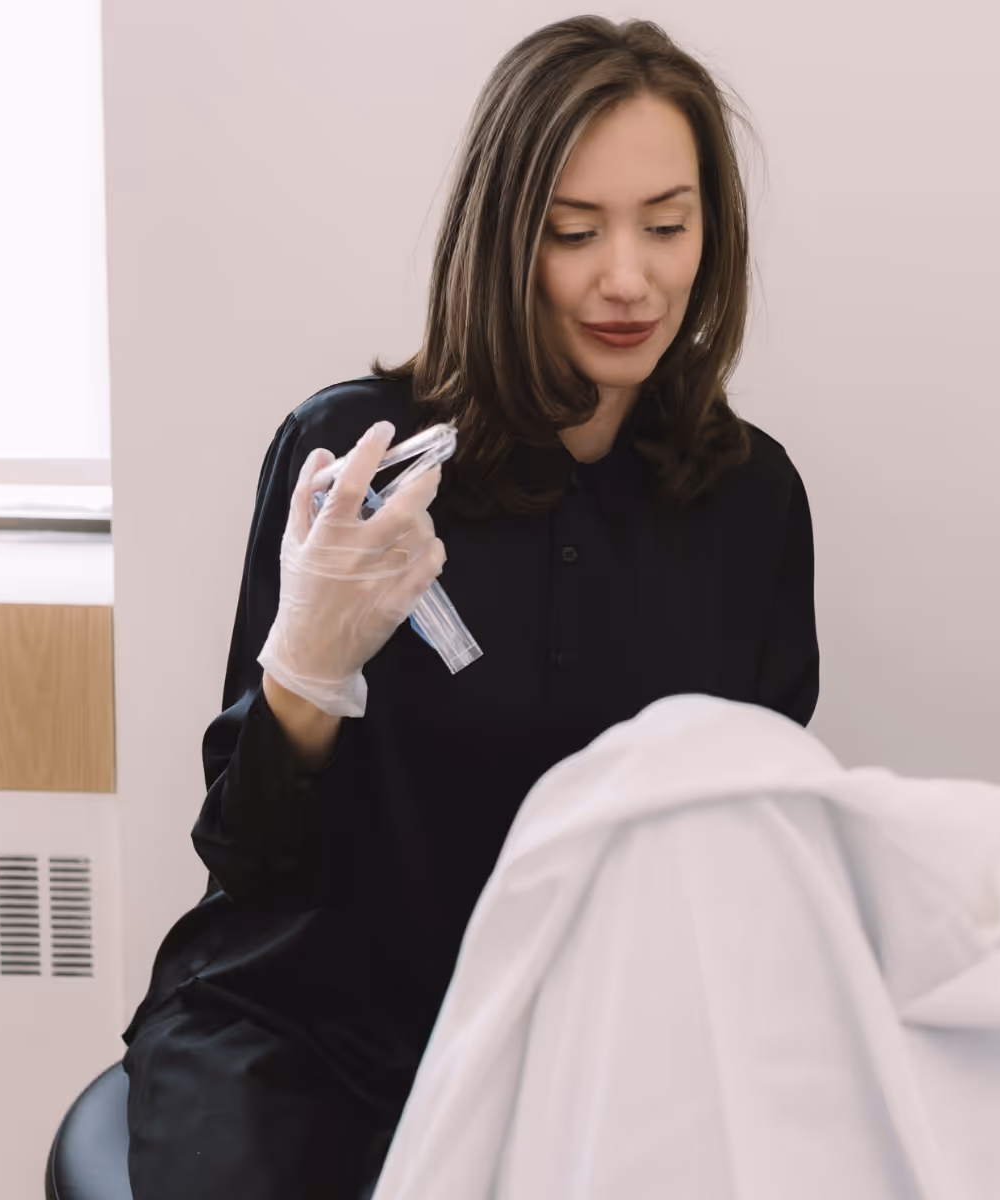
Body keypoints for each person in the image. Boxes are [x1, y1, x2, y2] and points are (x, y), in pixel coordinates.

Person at [121, 16, 819, 1200]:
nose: (627, 278)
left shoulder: (750, 501)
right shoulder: (361, 459)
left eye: (666, 225)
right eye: (572, 231)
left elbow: (751, 845)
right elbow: (249, 856)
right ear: (504, 239)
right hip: (307, 1028)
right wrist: (306, 668)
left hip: (590, 1038)